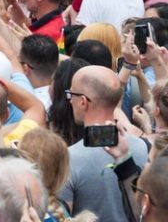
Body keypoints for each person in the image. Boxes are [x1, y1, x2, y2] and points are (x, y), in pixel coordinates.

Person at [60, 65, 148, 219]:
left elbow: (62, 216)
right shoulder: (142, 147)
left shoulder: (68, 158)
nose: (69, 101)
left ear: (83, 101)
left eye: (71, 94)